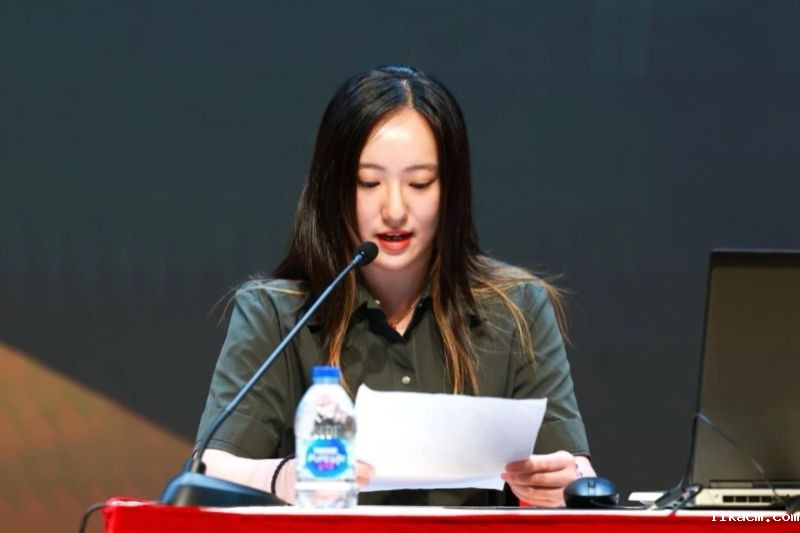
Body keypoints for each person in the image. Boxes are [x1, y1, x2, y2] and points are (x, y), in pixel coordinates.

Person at [195, 65, 595, 507]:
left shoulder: (517, 308)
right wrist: (286, 477)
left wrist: (566, 482)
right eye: (368, 183)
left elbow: (576, 472)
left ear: (451, 189)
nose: (395, 209)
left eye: (419, 183)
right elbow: (209, 468)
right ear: (333, 188)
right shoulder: (275, 314)